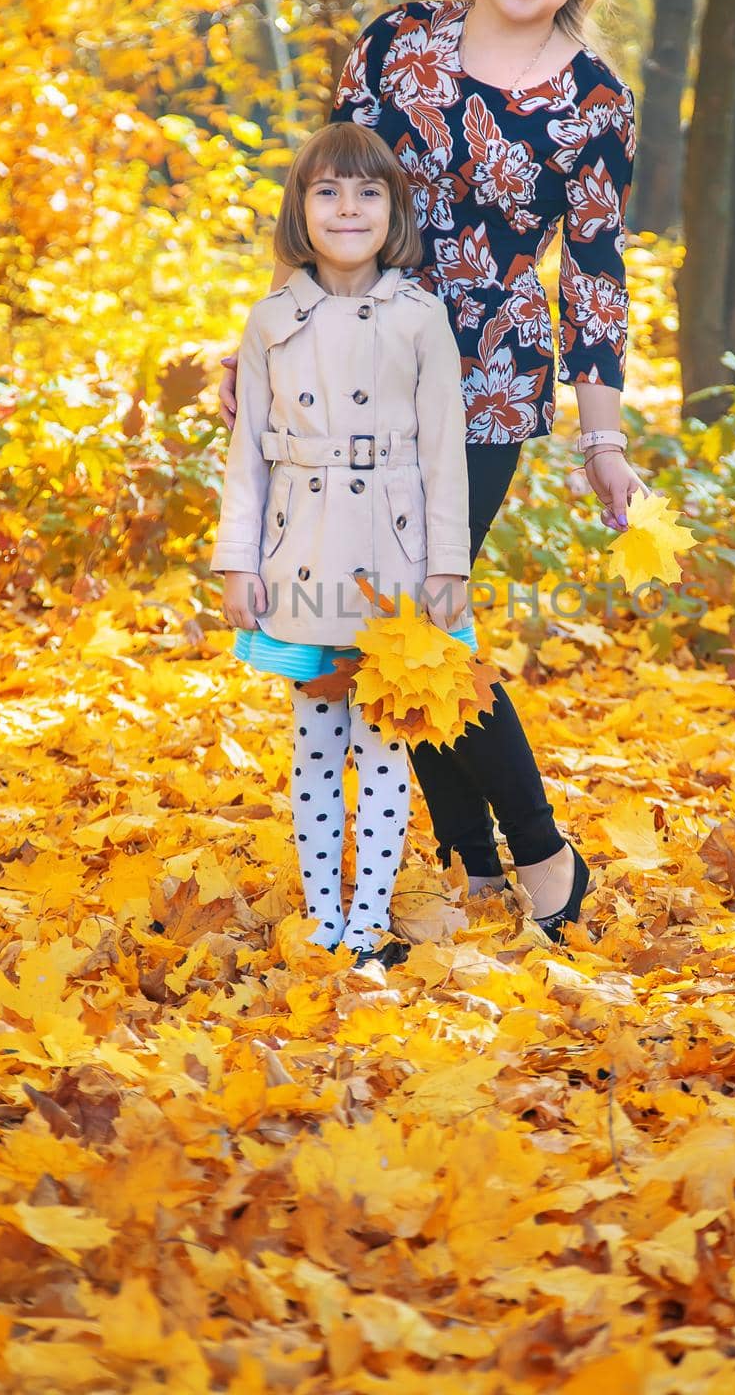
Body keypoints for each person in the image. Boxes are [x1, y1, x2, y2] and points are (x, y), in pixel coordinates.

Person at [218, 0, 650, 946]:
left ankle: (543, 851)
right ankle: (473, 864)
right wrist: (270, 339)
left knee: (416, 616)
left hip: (487, 384)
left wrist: (604, 442)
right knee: (376, 621)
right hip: (355, 365)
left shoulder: (594, 101)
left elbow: (592, 275)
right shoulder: (395, 43)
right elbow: (328, 194)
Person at [212, 120, 476, 966]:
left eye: (367, 192)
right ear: (300, 210)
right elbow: (246, 453)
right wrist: (236, 561)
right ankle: (324, 913)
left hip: (394, 560)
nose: (347, 208)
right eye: (326, 191)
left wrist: (447, 565)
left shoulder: (419, 318)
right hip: (302, 555)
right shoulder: (268, 322)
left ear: (393, 210)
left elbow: (444, 451)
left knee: (384, 742)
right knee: (316, 740)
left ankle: (371, 916)